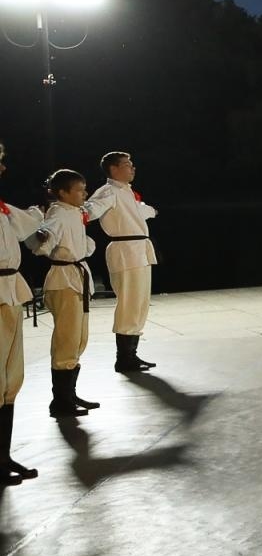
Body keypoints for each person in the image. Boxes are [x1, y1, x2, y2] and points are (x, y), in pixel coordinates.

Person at [25, 169, 111, 417]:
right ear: (63, 193)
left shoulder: (73, 212)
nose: (84, 194)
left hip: (76, 277)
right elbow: (46, 236)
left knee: (78, 338)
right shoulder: (58, 213)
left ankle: (69, 394)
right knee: (67, 339)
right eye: (79, 190)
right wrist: (42, 235)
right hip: (64, 281)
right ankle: (61, 401)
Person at [88, 152, 159, 373]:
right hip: (125, 250)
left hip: (138, 249)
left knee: (139, 303)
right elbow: (92, 209)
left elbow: (139, 210)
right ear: (114, 169)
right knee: (129, 303)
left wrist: (151, 211)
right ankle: (124, 357)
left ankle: (131, 355)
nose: (132, 168)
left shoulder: (126, 192)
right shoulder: (108, 191)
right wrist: (78, 211)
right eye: (127, 164)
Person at [1, 143, 45, 482]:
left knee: (10, 377)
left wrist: (41, 213)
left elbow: (26, 223)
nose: (2, 168)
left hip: (9, 290)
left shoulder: (3, 210)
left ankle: (3, 456)